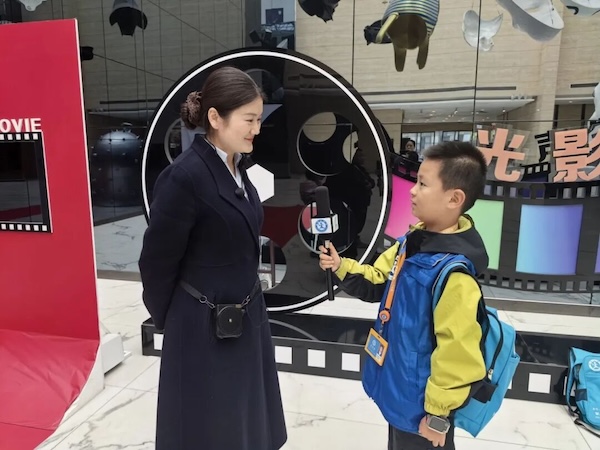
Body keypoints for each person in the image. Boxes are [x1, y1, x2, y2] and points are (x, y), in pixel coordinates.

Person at [138, 66, 287, 450]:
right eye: (249, 120)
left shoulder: (239, 168)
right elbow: (156, 263)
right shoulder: (184, 177)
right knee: (209, 426)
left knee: (244, 419)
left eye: (259, 119)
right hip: (202, 326)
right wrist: (177, 321)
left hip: (245, 318)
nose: (256, 129)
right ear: (216, 118)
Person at [319, 141, 489, 449]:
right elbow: (379, 280)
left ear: (454, 198)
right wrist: (341, 266)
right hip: (402, 389)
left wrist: (437, 416)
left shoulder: (454, 275)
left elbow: (457, 355)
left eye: (423, 184)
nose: (412, 191)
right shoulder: (412, 242)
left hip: (424, 409)